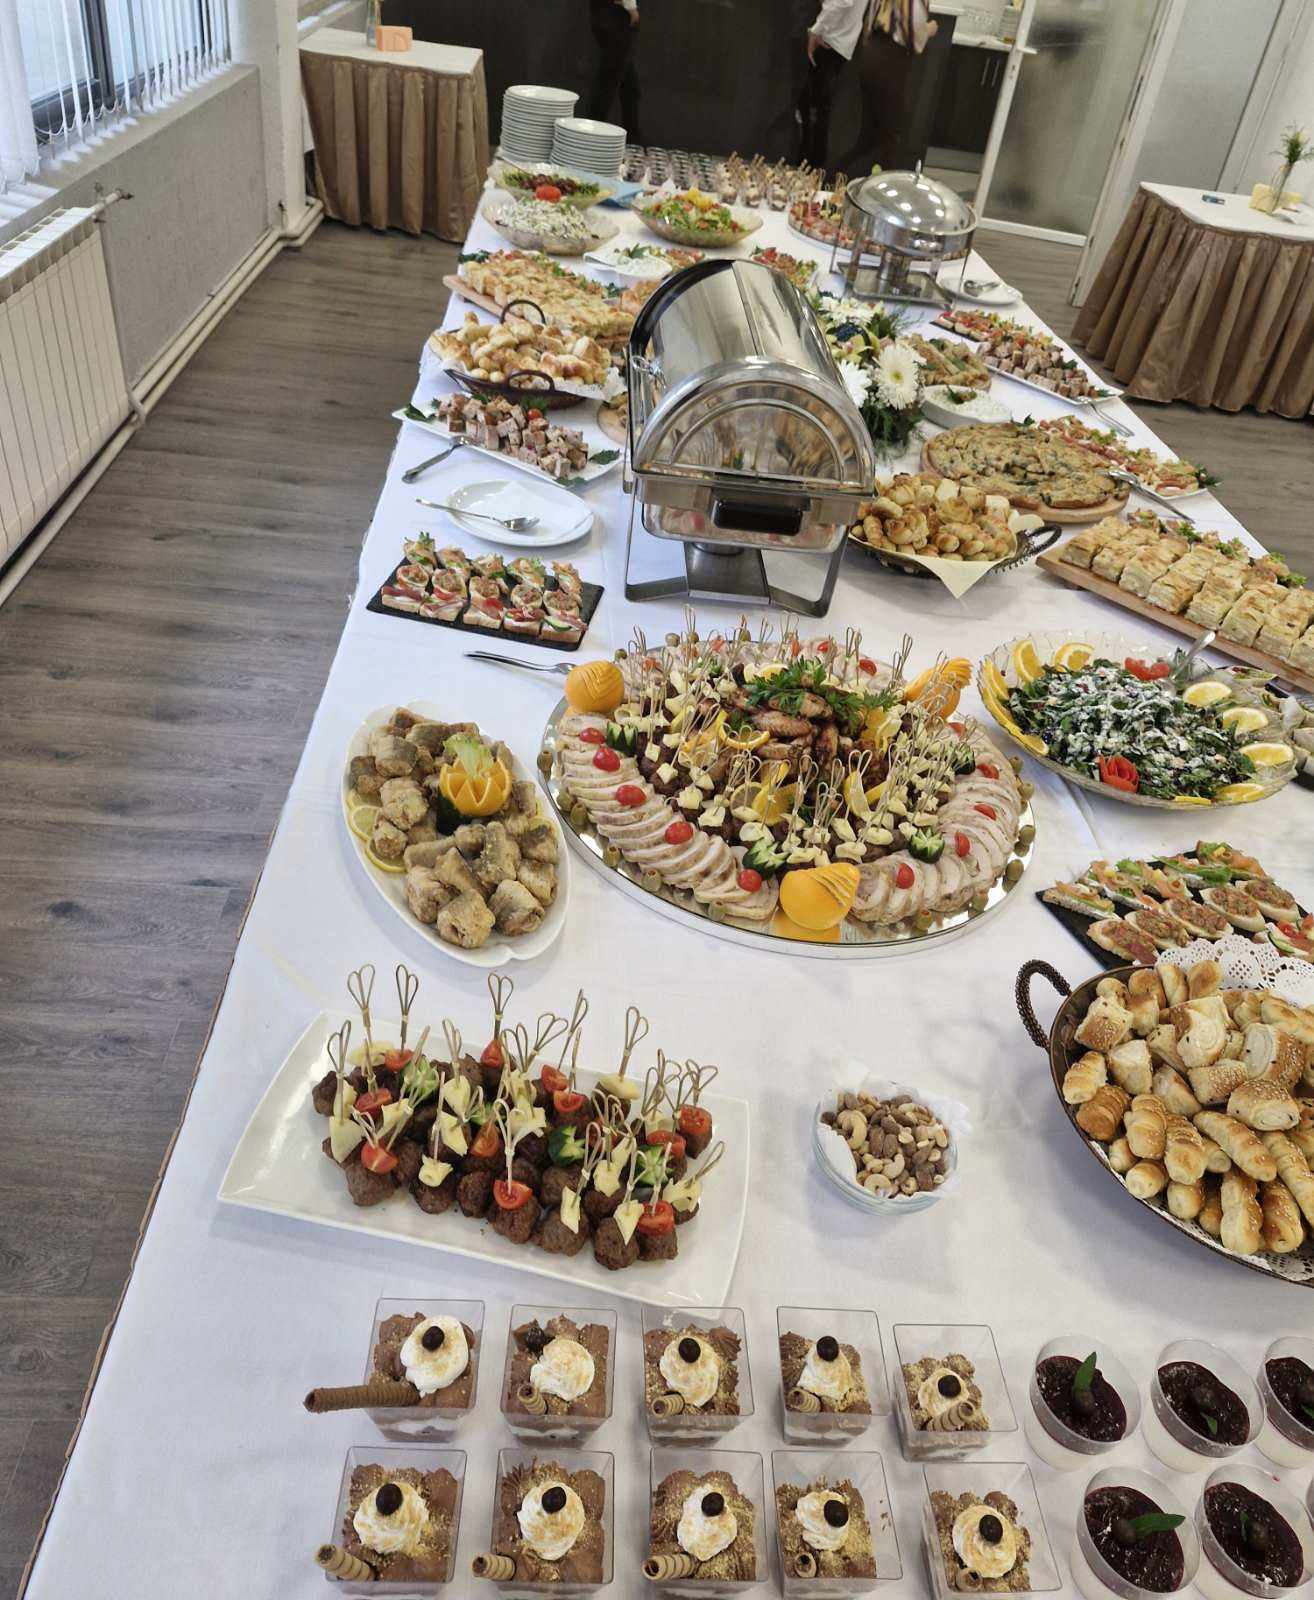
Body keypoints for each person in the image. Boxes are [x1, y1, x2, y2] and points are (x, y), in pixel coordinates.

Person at [796, 0, 931, 171]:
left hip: (870, 50)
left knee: (869, 138)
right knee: (888, 139)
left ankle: (824, 177)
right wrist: (928, 30)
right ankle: (826, 177)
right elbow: (914, 30)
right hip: (889, 57)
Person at [588, 0, 641, 140]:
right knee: (608, 82)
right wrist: (631, 7)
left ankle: (633, 136)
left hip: (605, 12)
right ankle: (591, 135)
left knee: (629, 86)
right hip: (615, 14)